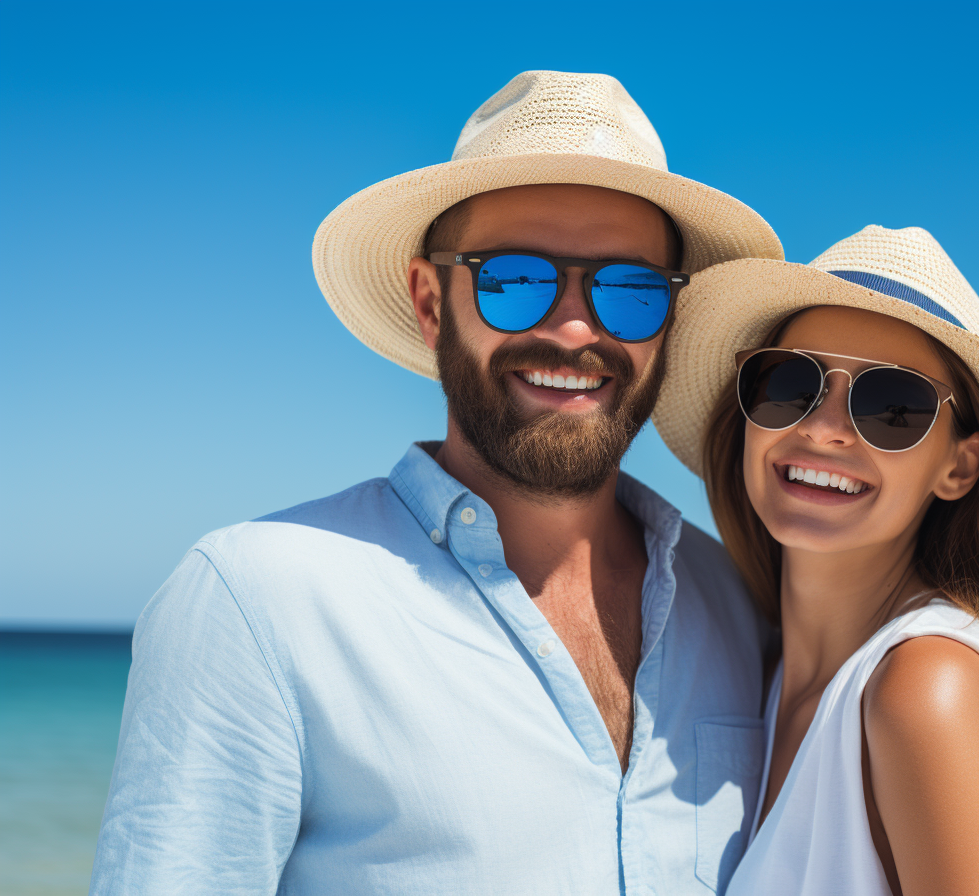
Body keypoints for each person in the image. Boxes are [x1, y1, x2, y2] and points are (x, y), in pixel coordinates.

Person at [91, 71, 784, 895]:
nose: (573, 327)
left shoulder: (742, 601)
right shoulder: (258, 600)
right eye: (514, 280)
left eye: (629, 290)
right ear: (429, 301)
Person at [650, 225, 979, 895]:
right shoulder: (761, 673)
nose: (821, 427)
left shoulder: (928, 689)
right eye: (789, 382)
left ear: (960, 467)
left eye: (892, 407)